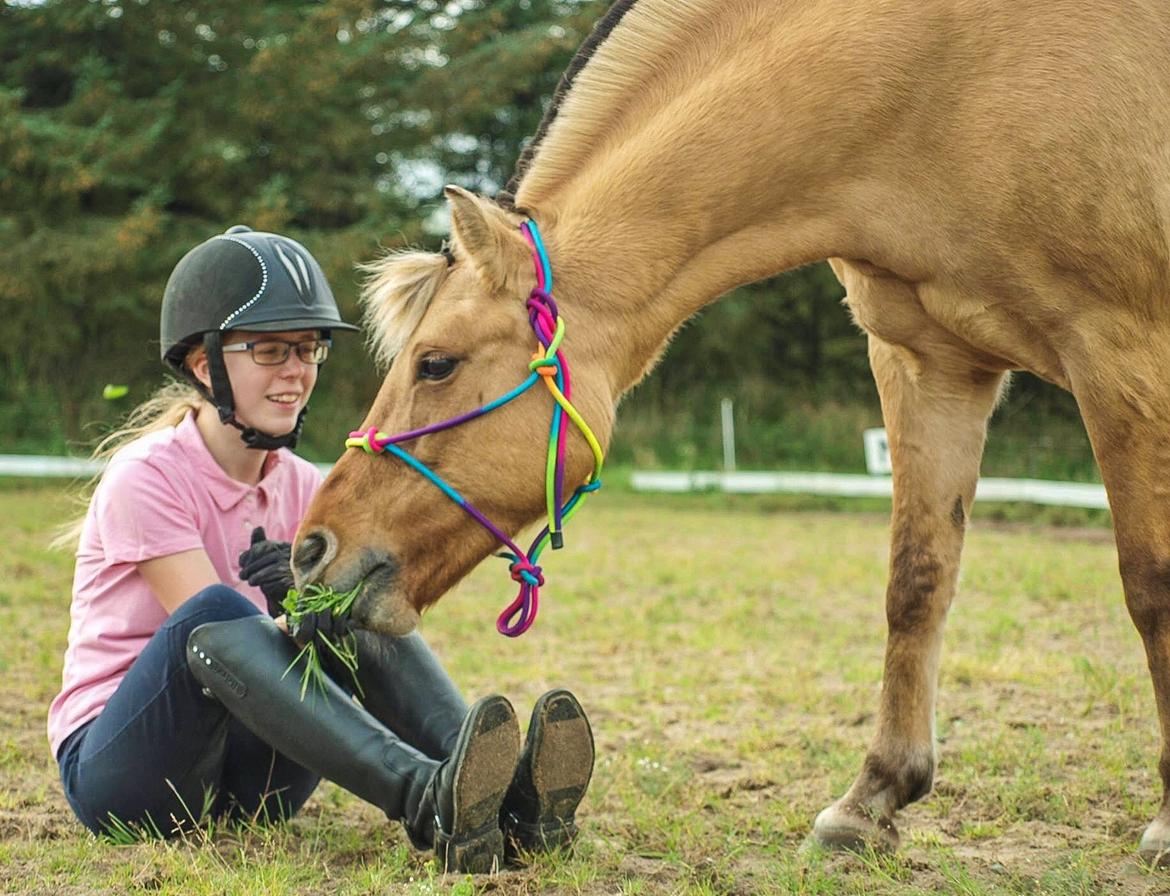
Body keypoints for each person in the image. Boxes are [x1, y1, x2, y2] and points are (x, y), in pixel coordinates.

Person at [47, 226, 595, 873]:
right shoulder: (148, 476)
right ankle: (426, 799)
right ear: (205, 366)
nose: (296, 371)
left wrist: (323, 603)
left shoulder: (308, 487)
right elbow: (208, 641)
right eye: (272, 351)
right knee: (219, 613)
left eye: (308, 351)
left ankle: (496, 792)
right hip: (130, 776)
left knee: (350, 589)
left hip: (255, 788)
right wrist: (297, 613)